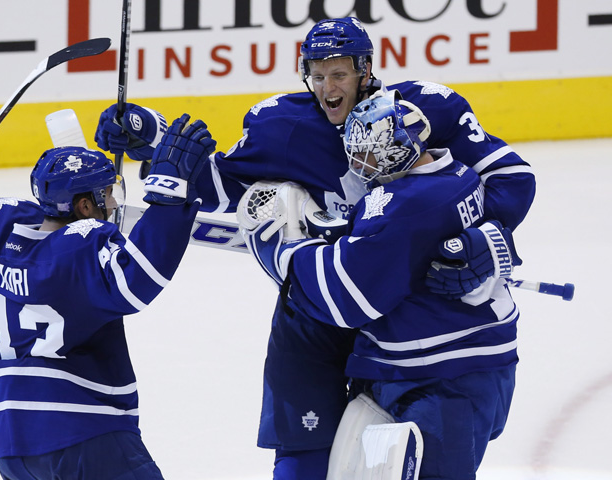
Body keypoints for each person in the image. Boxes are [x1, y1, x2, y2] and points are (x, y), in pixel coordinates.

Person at [95, 17, 535, 479]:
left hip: (400, 310)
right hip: (319, 299)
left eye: (339, 74)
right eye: (318, 75)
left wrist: (487, 240)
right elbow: (222, 186)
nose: (328, 87)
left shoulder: (428, 109)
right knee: (305, 444)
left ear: (366, 70)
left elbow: (510, 179)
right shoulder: (283, 126)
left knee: (403, 451)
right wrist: (154, 139)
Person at [236, 90, 521, 479]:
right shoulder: (458, 175)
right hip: (473, 363)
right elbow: (397, 240)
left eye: (366, 152)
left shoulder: (399, 205)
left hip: (437, 378)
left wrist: (284, 251)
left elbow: (346, 297)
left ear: (396, 150)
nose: (358, 163)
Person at [0, 112, 215, 479]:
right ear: (84, 206)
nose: (113, 205)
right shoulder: (80, 251)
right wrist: (169, 192)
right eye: (107, 196)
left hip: (12, 445)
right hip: (85, 431)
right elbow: (139, 276)